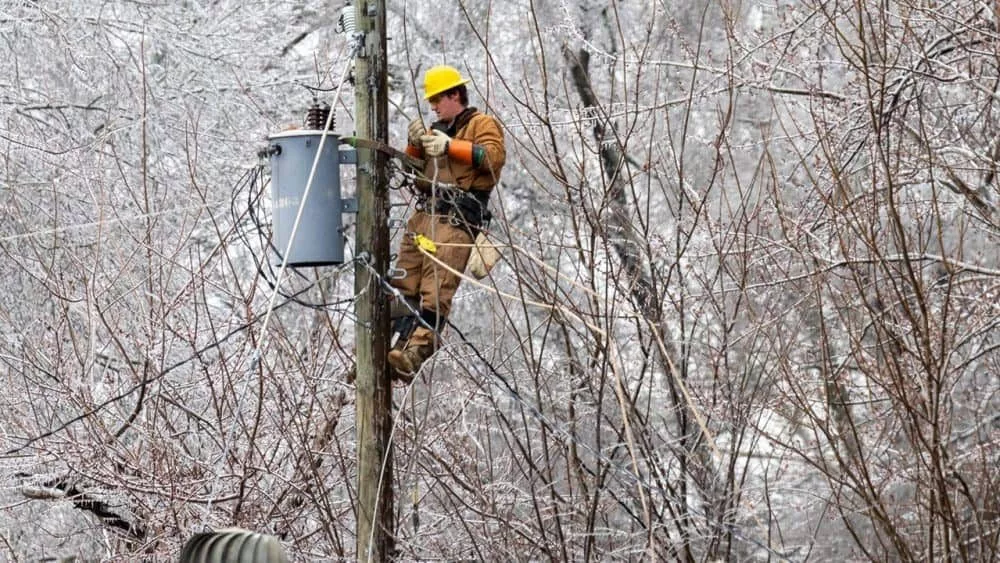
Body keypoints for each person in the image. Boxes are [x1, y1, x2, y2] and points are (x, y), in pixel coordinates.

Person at [387, 65, 506, 379]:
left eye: (438, 99)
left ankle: (416, 351)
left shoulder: (481, 124)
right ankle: (387, 348)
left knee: (435, 291)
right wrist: (414, 145)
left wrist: (450, 147)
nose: (434, 106)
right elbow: (415, 176)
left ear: (456, 95)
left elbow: (493, 159)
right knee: (404, 285)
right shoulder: (436, 131)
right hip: (424, 218)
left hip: (455, 221)